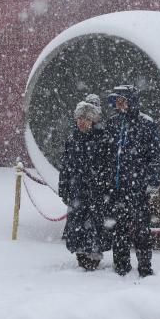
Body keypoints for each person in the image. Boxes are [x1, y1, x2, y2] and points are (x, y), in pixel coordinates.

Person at [104, 85, 160, 277]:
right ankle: (121, 265)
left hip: (137, 188)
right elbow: (106, 155)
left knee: (141, 229)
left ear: (131, 101)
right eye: (116, 101)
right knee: (119, 228)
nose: (118, 105)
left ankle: (145, 267)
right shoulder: (112, 123)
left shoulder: (146, 124)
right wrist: (106, 180)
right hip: (116, 188)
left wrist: (152, 182)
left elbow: (155, 156)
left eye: (122, 100)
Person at [58, 100, 112, 270]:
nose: (82, 121)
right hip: (77, 190)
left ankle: (94, 255)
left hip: (96, 192)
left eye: (86, 118)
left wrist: (105, 187)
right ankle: (80, 253)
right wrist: (64, 186)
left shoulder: (103, 139)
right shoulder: (72, 139)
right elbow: (65, 166)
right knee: (77, 224)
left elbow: (108, 166)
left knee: (95, 225)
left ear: (93, 120)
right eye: (79, 118)